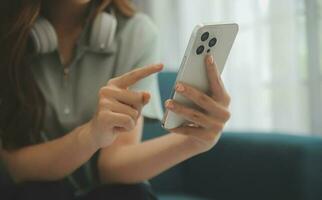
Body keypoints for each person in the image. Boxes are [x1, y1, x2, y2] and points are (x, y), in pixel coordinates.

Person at [0, 0, 231, 199]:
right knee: (37, 193)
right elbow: (16, 168)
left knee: (131, 194)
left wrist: (193, 142)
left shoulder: (135, 33)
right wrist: (91, 135)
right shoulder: (8, 36)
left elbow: (112, 167)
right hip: (33, 191)